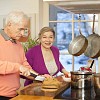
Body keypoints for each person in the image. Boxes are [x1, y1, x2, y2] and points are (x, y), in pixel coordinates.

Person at [0, 11, 39, 100]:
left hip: (15, 94)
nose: (22, 33)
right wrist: (18, 67)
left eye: (24, 30)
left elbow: (25, 67)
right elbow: (20, 67)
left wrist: (39, 76)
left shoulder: (18, 44)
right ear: (9, 25)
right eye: (20, 29)